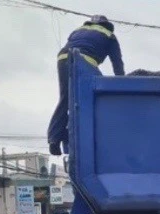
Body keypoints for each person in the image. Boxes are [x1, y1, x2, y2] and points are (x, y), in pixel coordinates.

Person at [48, 15, 125, 156]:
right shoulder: (109, 35)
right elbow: (117, 65)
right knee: (97, 98)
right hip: (84, 62)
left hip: (63, 58)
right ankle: (89, 133)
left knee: (67, 98)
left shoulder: (78, 31)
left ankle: (55, 138)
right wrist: (122, 86)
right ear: (106, 25)